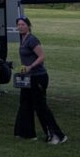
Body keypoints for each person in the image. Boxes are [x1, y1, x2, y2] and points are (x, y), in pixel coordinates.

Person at [13, 16, 67, 145]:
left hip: (38, 77)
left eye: (23, 25)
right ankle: (26, 133)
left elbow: (42, 57)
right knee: (25, 104)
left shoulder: (32, 39)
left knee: (40, 107)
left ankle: (57, 135)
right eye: (18, 25)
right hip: (28, 77)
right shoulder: (22, 39)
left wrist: (30, 66)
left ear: (28, 26)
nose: (20, 27)